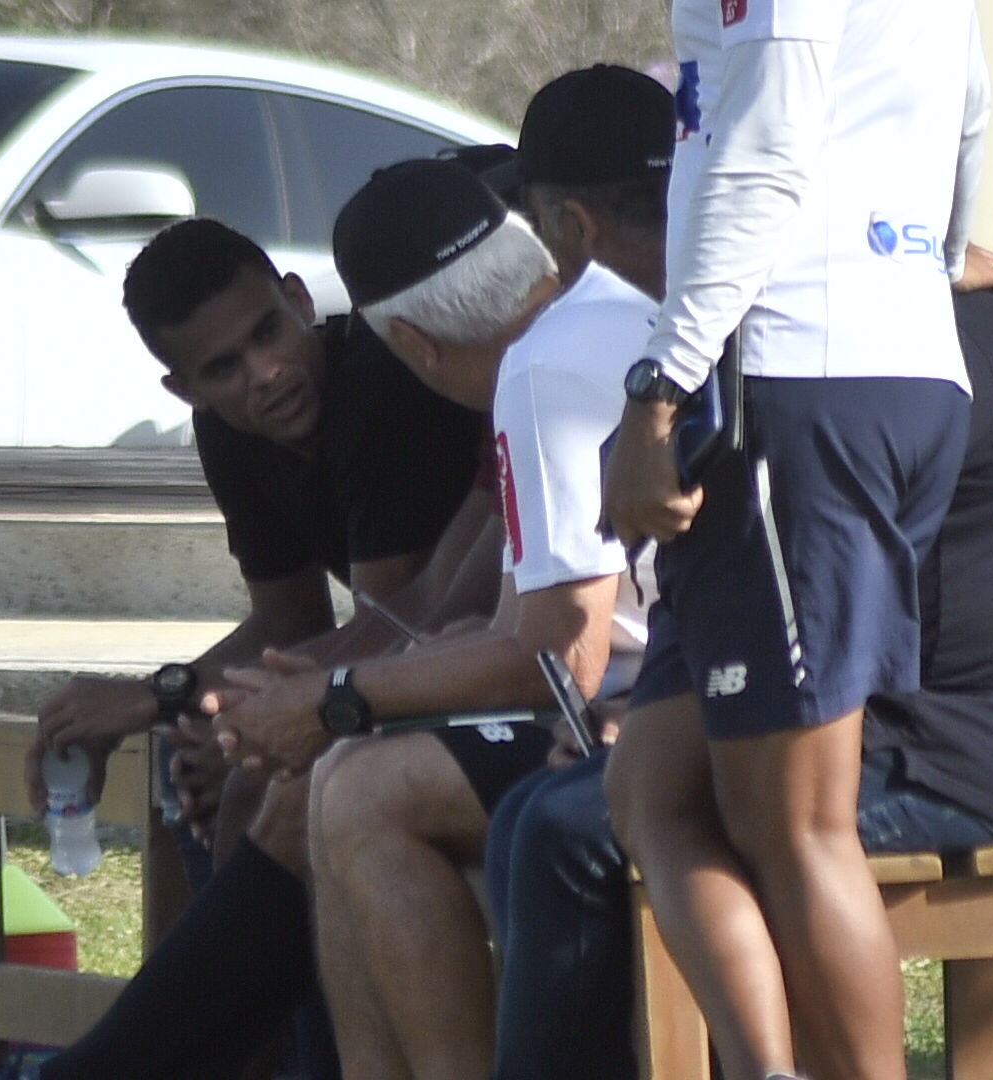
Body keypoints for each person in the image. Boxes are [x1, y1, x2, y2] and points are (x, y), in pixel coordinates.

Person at [0, 216, 498, 1080]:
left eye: (269, 333)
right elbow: (290, 620)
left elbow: (397, 623)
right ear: (182, 388)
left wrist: (219, 705)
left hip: (466, 671)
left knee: (252, 777)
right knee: (200, 760)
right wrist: (169, 696)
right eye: (223, 368)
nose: (264, 376)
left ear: (299, 302)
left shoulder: (376, 390)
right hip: (410, 670)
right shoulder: (233, 434)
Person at [490, 247, 993, 1080]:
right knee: (541, 812)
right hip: (875, 712)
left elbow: (812, 598)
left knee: (572, 832)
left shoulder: (846, 355)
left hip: (947, 749)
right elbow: (762, 598)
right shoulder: (858, 312)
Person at [208, 87, 670, 1076]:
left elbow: (559, 659)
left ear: (409, 345)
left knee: (363, 786)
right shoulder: (596, 315)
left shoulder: (539, 369)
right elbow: (517, 626)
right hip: (683, 696)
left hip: (667, 715)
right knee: (346, 773)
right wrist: (340, 696)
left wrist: (339, 695)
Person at [599, 1, 991, 1078]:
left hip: (799, 375)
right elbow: (969, 110)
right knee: (655, 791)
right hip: (880, 360)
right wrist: (936, 258)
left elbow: (765, 153)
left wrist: (658, 390)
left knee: (797, 826)